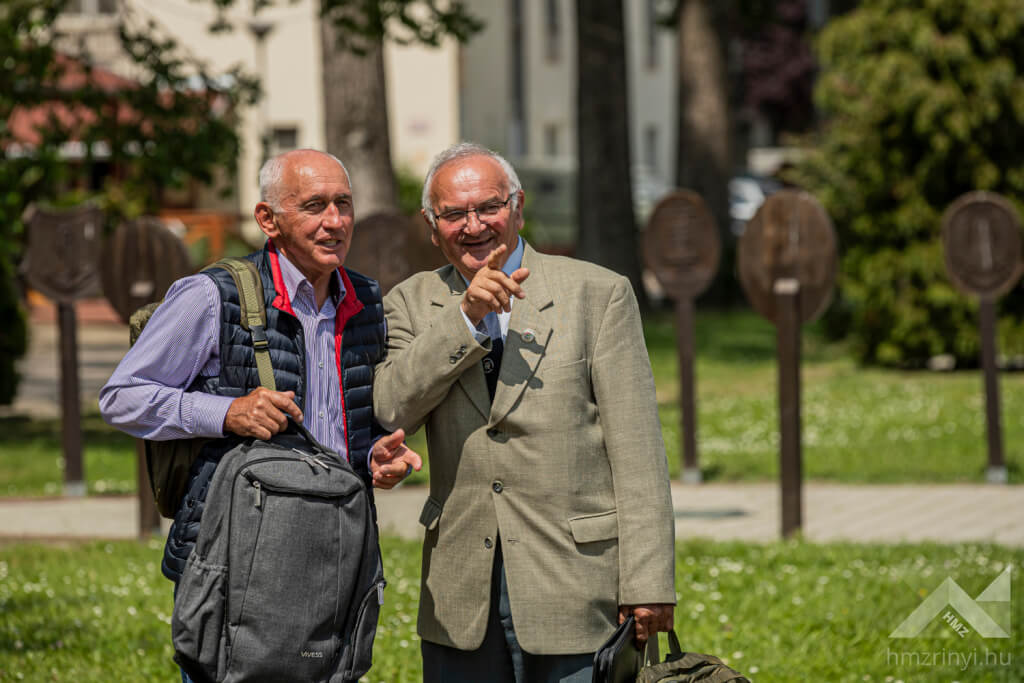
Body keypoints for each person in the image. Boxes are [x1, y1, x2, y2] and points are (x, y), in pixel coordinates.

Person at [99, 148, 419, 681]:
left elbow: (338, 430)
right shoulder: (211, 295)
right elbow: (122, 396)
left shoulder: (365, 298)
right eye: (314, 205)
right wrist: (226, 413)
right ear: (268, 219)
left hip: (335, 551)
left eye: (344, 204)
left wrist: (374, 457)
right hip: (234, 559)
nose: (335, 221)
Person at [371, 142, 676, 683]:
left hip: (579, 589)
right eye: (454, 214)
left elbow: (638, 452)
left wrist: (649, 583)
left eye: (488, 207)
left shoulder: (597, 293)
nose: (473, 225)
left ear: (517, 206)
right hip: (461, 594)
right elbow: (393, 407)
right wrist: (464, 318)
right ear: (431, 224)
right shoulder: (409, 303)